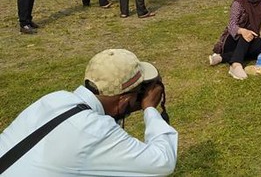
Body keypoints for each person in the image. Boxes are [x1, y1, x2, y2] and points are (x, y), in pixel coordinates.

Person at [0, 49, 177, 176]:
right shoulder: (97, 131)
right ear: (123, 101)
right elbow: (163, 162)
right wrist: (150, 109)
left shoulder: (54, 98)